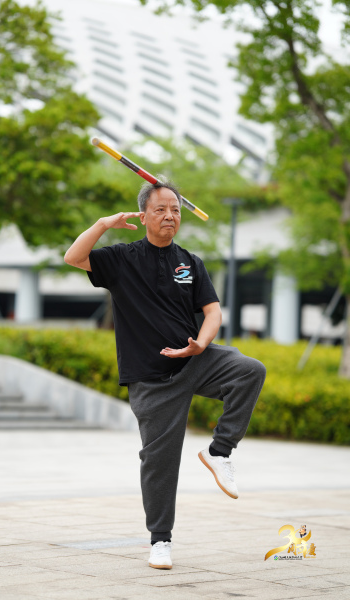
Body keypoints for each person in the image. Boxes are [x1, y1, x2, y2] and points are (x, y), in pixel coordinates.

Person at [64, 180, 266, 570]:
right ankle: (160, 540)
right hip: (150, 378)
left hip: (194, 359)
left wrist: (201, 344)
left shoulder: (190, 262)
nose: (170, 216)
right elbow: (74, 257)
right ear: (143, 217)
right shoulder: (121, 259)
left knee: (249, 370)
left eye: (175, 209)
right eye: (160, 209)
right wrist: (104, 224)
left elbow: (212, 312)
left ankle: (219, 451)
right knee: (160, 462)